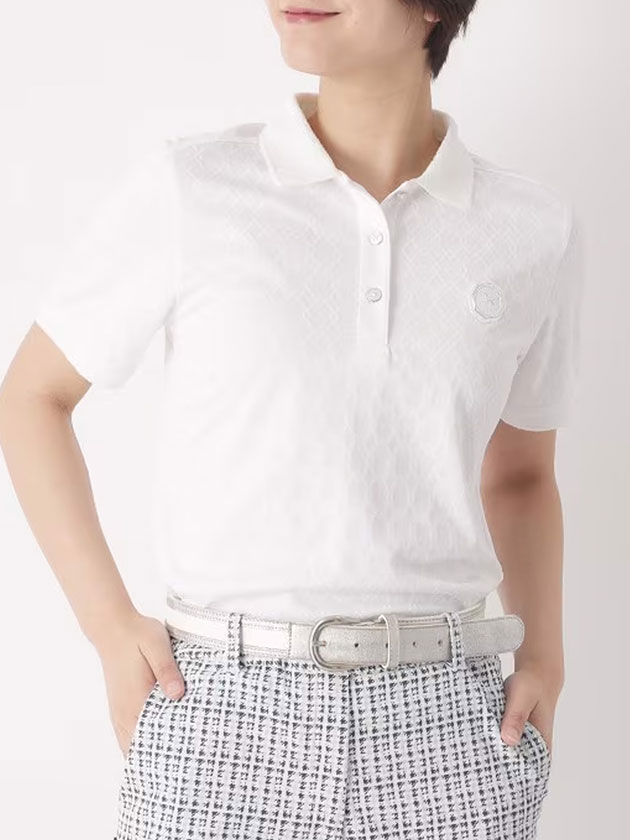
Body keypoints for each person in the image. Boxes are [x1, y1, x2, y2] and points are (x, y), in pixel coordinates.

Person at [0, 1, 585, 838]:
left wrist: (545, 659)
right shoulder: (195, 188)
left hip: (450, 727)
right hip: (217, 714)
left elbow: (522, 475)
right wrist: (108, 628)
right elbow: (32, 397)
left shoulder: (531, 229)